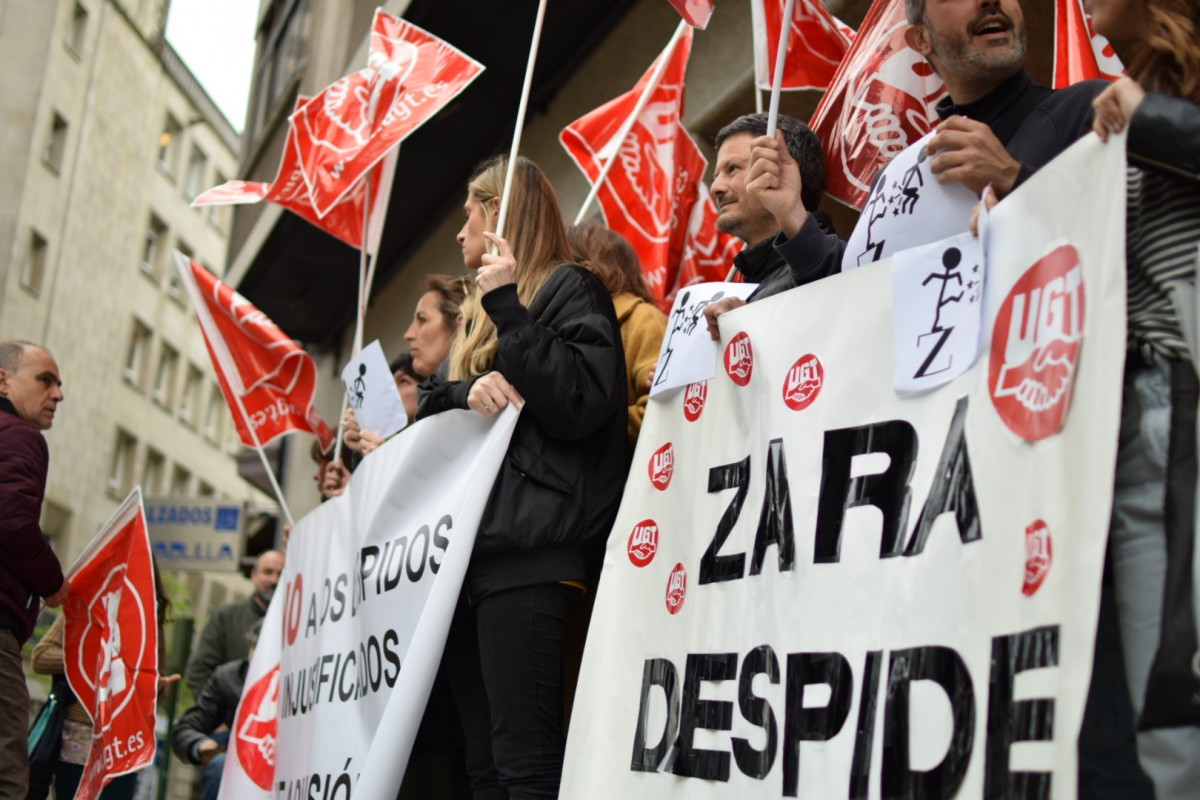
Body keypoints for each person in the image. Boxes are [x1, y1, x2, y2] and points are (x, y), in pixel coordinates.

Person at [418, 154, 627, 798]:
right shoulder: (479, 314)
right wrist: (465, 391)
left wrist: (511, 308)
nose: (460, 234)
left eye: (470, 216)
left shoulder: (571, 288)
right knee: (485, 766)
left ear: (500, 217)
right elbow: (431, 404)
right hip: (474, 562)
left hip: (533, 554)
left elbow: (579, 403)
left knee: (527, 766)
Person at [1085, 1, 1200, 797]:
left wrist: (1150, 122)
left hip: (1182, 397)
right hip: (1129, 428)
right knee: (1164, 717)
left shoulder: (1145, 108)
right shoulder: (1122, 108)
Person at [31, 561, 178, 800]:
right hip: (78, 738)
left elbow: (155, 684)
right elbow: (41, 657)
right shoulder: (85, 605)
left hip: (124, 743)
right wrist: (98, 661)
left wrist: (154, 686)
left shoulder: (149, 616)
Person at [701, 113, 841, 338]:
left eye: (733, 168)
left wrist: (753, 328)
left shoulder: (841, 267)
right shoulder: (745, 293)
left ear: (787, 171)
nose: (715, 187)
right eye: (717, 175)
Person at [0, 339, 68, 799]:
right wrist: (55, 585)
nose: (58, 393)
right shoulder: (21, 436)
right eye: (45, 380)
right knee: (8, 772)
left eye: (59, 383)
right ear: (3, 380)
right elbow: (12, 521)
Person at [568, 222, 666, 446]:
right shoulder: (572, 329)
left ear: (587, 270)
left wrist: (584, 435)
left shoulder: (644, 320)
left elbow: (658, 412)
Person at [172, 621, 261, 800]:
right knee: (220, 767)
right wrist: (202, 744)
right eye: (257, 647)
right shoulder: (229, 679)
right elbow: (185, 728)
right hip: (243, 766)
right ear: (250, 647)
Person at [184, 550, 282, 694]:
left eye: (281, 574)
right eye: (268, 572)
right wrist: (218, 712)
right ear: (254, 575)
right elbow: (198, 672)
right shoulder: (225, 618)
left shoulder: (297, 626)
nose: (274, 580)